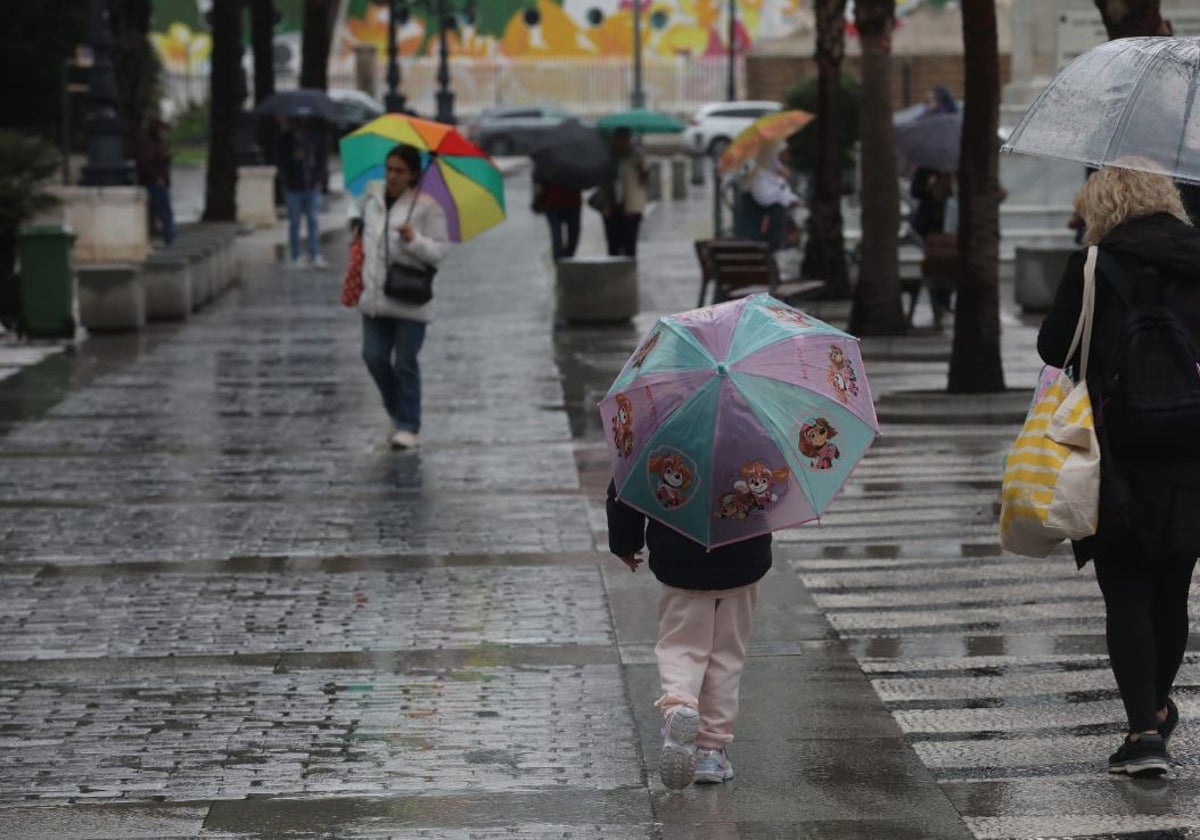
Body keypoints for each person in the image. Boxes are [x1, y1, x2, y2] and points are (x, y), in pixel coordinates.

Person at [1037, 159, 1200, 777]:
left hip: (1116, 451)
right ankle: (1157, 705)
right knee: (1171, 587)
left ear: (1100, 204)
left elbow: (1055, 348)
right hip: (1192, 448)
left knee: (1126, 588)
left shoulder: (1092, 266)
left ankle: (1143, 733)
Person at [606, 480, 771, 790]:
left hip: (680, 559)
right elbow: (778, 491)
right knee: (727, 654)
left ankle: (678, 708)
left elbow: (625, 487)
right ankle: (711, 750)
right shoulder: (757, 437)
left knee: (681, 645)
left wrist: (625, 542)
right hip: (743, 557)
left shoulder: (660, 436)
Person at [349, 144, 449, 450]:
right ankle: (397, 411)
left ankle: (409, 425)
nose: (392, 175)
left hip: (410, 297)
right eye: (389, 168)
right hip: (375, 295)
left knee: (405, 363)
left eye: (399, 170)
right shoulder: (372, 199)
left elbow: (438, 253)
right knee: (374, 357)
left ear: (413, 174)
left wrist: (413, 239)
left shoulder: (428, 206)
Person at [910, 85, 959, 327]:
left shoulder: (957, 160)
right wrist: (933, 186)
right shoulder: (926, 162)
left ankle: (946, 302)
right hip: (931, 222)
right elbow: (916, 191)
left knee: (951, 264)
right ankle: (939, 304)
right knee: (936, 265)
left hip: (953, 221)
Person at [278, 118, 328, 269]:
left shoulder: (313, 138)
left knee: (313, 220)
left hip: (311, 186)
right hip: (293, 188)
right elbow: (280, 161)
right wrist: (294, 159)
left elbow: (321, 159)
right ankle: (296, 255)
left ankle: (315, 254)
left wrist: (319, 179)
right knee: (295, 223)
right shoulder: (285, 139)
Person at [597, 128, 649, 257]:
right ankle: (615, 273)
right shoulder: (606, 158)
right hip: (611, 206)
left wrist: (641, 164)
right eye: (618, 139)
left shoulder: (636, 157)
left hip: (631, 208)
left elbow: (645, 180)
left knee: (630, 245)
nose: (621, 143)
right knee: (613, 246)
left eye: (625, 139)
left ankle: (628, 273)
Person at [741, 142, 801, 252]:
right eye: (783, 153)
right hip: (762, 235)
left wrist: (792, 199)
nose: (786, 157)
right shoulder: (759, 174)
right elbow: (765, 198)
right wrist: (785, 198)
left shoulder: (775, 172)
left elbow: (784, 193)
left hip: (773, 235)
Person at [134, 119, 175, 246]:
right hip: (156, 183)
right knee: (164, 211)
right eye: (162, 130)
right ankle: (170, 238)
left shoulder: (156, 143)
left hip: (158, 181)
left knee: (160, 211)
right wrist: (158, 177)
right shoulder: (150, 144)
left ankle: (168, 237)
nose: (164, 133)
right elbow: (147, 164)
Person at [533, 176, 582, 260]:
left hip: (571, 203)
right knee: (558, 239)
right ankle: (561, 263)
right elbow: (539, 178)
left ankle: (565, 262)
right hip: (554, 204)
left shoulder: (577, 164)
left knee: (571, 239)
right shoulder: (549, 164)